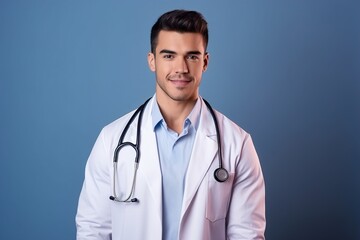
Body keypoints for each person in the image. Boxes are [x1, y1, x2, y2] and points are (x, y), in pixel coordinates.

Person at [76, 9, 266, 240]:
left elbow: (247, 235)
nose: (181, 68)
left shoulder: (238, 144)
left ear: (205, 62)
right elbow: (92, 230)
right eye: (169, 56)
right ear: (152, 61)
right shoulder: (111, 139)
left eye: (192, 56)